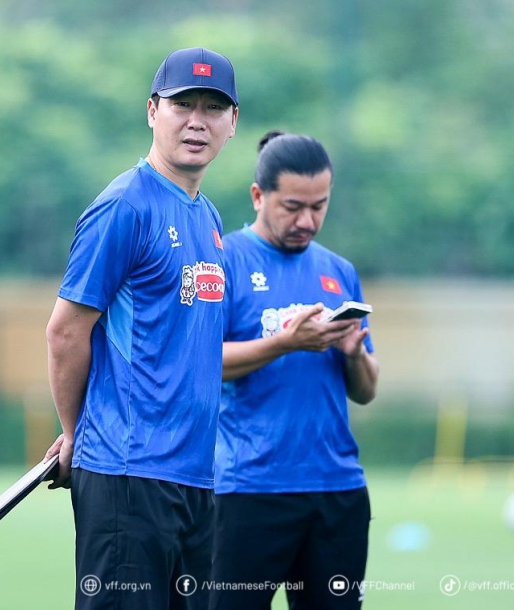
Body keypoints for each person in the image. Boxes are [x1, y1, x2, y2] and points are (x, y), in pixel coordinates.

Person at [42, 47, 239, 608]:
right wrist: (76, 433)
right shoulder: (124, 207)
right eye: (182, 105)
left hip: (196, 478)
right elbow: (65, 332)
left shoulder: (208, 216)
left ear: (232, 122)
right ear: (153, 111)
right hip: (128, 475)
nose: (197, 121)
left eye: (213, 107)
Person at [211, 130, 379, 609]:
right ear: (258, 196)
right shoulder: (224, 261)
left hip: (337, 490)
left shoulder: (339, 271)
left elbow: (366, 391)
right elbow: (204, 364)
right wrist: (285, 343)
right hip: (248, 490)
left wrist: (353, 353)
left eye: (319, 206)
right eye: (293, 207)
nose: (307, 220)